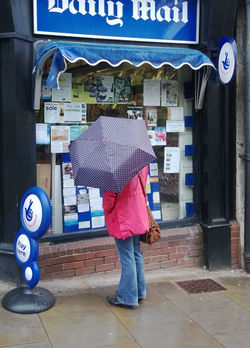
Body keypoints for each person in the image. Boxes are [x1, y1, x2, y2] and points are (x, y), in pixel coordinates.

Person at [102, 165, 149, 309]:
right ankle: (139, 292)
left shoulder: (115, 167)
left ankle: (127, 297)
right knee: (135, 254)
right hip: (137, 213)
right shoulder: (140, 163)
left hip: (124, 216)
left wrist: (106, 208)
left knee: (127, 257)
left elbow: (109, 199)